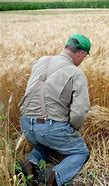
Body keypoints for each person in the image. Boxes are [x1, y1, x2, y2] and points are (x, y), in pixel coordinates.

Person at [19, 34, 91, 186]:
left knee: (46, 145)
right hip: (50, 128)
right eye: (84, 57)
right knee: (80, 152)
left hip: (26, 124)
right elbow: (80, 112)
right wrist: (73, 129)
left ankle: (30, 163)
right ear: (81, 53)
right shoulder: (76, 73)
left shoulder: (40, 61)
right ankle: (53, 177)